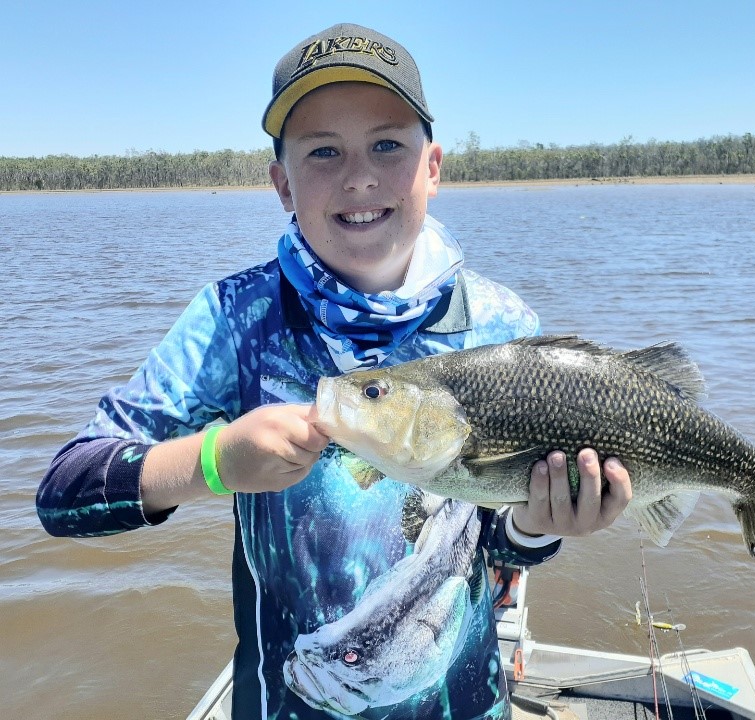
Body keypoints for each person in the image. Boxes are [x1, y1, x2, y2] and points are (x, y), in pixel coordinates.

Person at [37, 23, 632, 720]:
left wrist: (539, 525)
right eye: (324, 152)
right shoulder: (234, 318)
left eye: (387, 144)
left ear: (432, 167)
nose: (358, 176)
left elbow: (497, 551)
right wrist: (212, 462)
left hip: (463, 704)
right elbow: (63, 493)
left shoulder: (502, 325)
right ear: (282, 183)